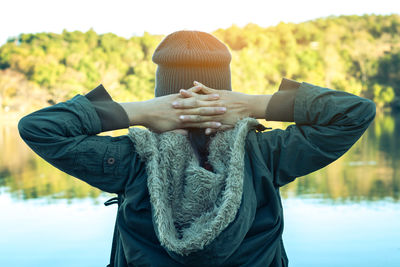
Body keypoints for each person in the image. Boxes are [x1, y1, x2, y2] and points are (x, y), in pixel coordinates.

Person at [18, 30, 376, 267]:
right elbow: (355, 112)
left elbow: (38, 128)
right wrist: (256, 104)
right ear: (226, 92)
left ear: (163, 95)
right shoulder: (266, 155)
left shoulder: (132, 159)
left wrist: (139, 112)